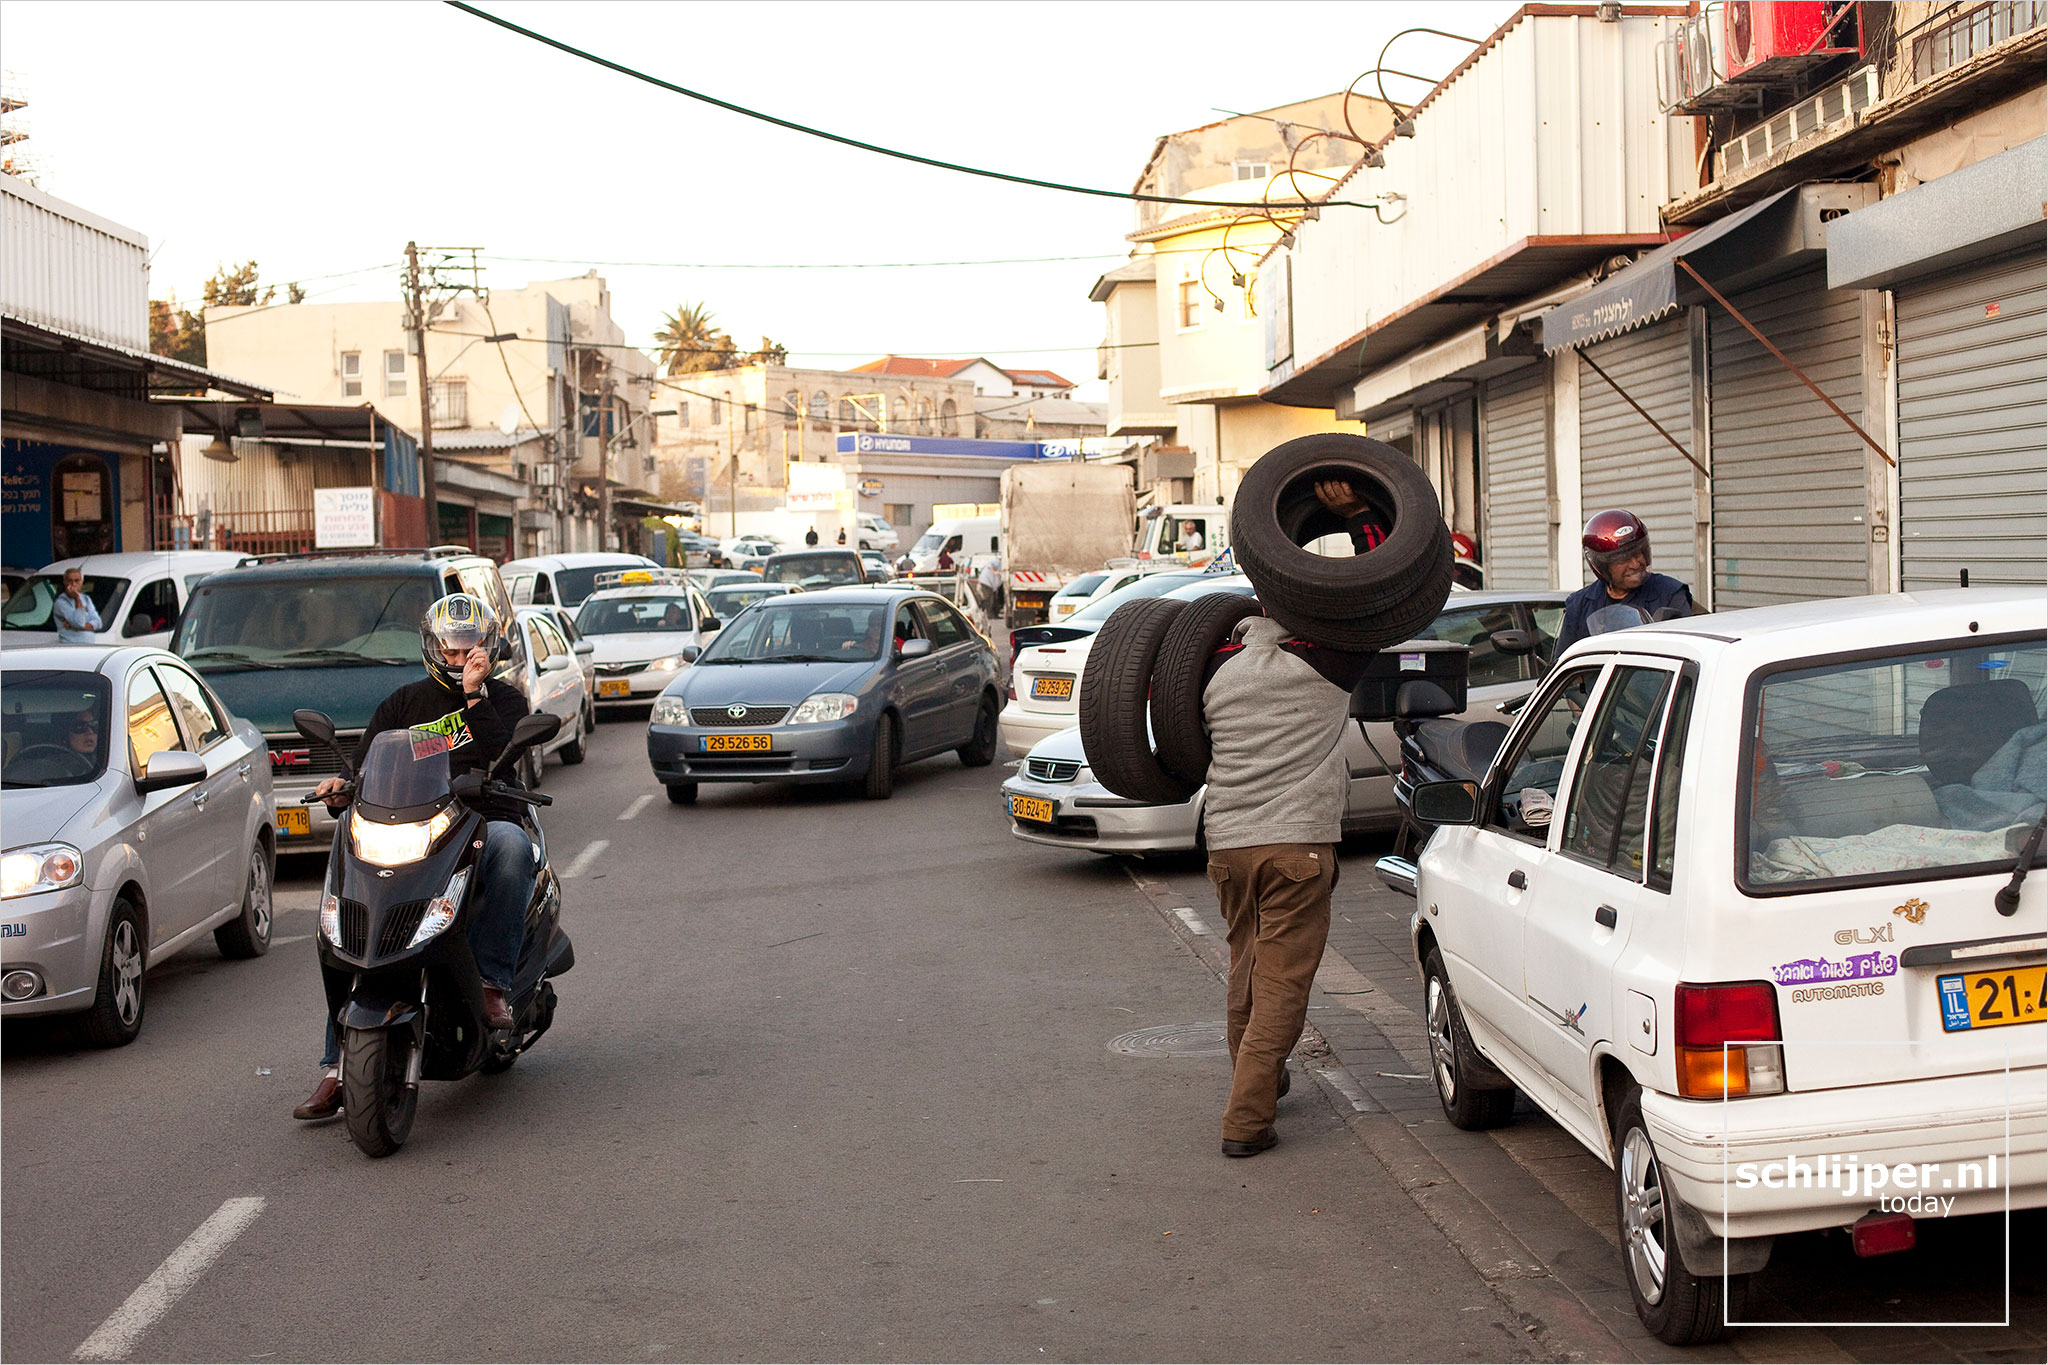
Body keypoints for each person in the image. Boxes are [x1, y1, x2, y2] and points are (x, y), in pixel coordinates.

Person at [292, 594, 536, 1121]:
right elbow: (367, 773)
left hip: (484, 820)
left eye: (472, 651)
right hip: (414, 829)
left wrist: (474, 695)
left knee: (514, 848)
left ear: (488, 651)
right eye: (452, 651)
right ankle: (338, 1065)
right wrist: (341, 789)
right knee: (352, 928)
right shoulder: (402, 705)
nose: (461, 660)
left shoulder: (505, 699)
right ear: (432, 648)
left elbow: (503, 751)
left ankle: (493, 984)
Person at [1200, 477, 1389, 1158]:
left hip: (1227, 845)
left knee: (1246, 965)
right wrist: (1365, 516)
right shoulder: (1328, 661)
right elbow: (1382, 593)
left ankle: (1263, 1076)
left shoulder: (1216, 662)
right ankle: (1246, 1120)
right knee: (1281, 982)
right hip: (1296, 847)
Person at [1550, 509, 1694, 659]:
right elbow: (1564, 663)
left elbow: (1687, 655)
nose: (1636, 563)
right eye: (1624, 558)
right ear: (1602, 565)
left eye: (1639, 553)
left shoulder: (1670, 593)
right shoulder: (1579, 605)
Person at [52, 568, 101, 642]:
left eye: (77, 580)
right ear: (65, 582)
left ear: (81, 582)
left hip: (89, 646)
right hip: (70, 645)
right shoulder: (61, 602)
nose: (73, 584)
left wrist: (73, 627)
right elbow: (78, 623)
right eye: (70, 581)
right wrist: (77, 599)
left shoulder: (86, 599)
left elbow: (98, 622)